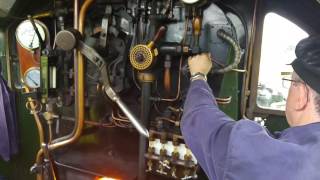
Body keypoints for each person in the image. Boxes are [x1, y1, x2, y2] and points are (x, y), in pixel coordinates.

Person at [181, 35, 320, 180]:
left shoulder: (271, 159)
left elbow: (199, 118)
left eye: (291, 82)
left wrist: (198, 75)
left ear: (301, 95)